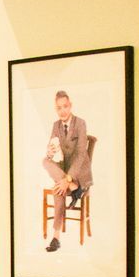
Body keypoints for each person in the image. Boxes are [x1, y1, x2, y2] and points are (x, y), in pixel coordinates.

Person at [42, 89, 94, 252]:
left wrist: (68, 179)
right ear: (55, 109)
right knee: (45, 161)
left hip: (79, 174)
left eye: (65, 106)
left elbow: (80, 154)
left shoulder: (80, 123)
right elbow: (52, 151)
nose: (62, 111)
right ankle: (56, 238)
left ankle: (56, 236)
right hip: (64, 174)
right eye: (59, 108)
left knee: (59, 186)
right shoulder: (56, 125)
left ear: (70, 105)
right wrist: (50, 152)